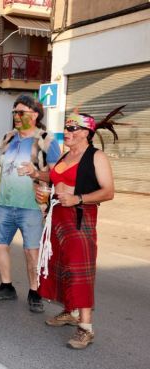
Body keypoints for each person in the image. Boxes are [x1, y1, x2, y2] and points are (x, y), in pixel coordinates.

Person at [0, 95, 61, 312]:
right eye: (14, 113)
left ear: (35, 114)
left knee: (32, 251)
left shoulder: (47, 140)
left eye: (21, 113)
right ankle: (6, 286)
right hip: (2, 204)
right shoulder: (8, 138)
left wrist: (37, 173)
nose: (16, 117)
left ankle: (35, 291)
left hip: (32, 206)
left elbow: (58, 174)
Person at [36, 108, 118, 349]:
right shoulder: (65, 156)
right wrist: (43, 188)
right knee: (61, 267)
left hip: (79, 219)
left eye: (72, 128)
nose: (66, 132)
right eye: (66, 127)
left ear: (86, 132)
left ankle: (86, 327)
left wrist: (78, 198)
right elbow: (56, 181)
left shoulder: (96, 157)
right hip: (57, 218)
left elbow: (108, 191)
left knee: (80, 272)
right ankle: (70, 312)